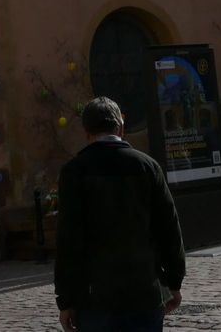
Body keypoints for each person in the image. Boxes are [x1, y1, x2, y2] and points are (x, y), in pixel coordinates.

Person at [53, 95, 185, 332]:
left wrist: (66, 299)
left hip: (95, 297)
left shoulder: (75, 172)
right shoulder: (148, 167)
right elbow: (169, 229)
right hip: (144, 291)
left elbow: (68, 240)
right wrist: (174, 281)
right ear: (121, 127)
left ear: (86, 131)